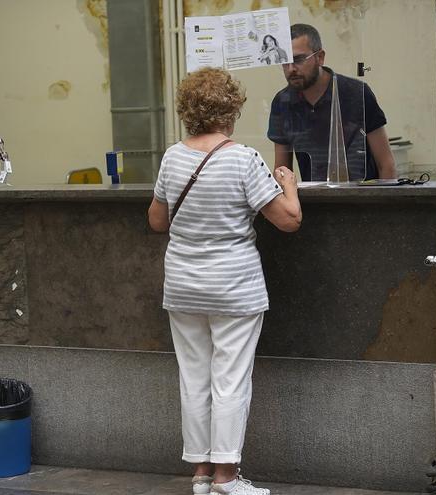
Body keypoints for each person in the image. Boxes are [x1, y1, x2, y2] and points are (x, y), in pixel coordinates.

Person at [147, 67, 301, 495]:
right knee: (229, 378)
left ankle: (199, 474)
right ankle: (227, 478)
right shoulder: (243, 158)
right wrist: (288, 184)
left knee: (193, 376)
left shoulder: (173, 157)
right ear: (230, 109)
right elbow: (289, 221)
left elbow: (157, 221)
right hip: (233, 285)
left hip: (182, 284)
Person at [268, 23, 397, 181]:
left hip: (363, 199)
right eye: (284, 61)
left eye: (299, 59)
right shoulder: (282, 102)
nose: (291, 69)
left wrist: (383, 204)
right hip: (316, 200)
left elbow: (386, 165)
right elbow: (282, 173)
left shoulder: (357, 93)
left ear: (320, 57)